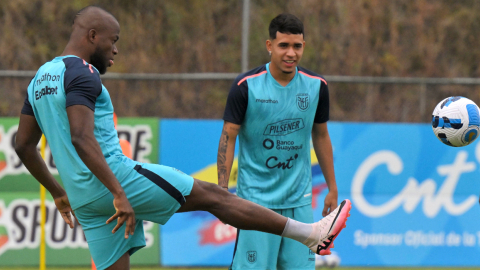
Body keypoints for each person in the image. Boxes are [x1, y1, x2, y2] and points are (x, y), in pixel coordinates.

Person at [14, 6, 350, 270]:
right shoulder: (82, 72)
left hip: (83, 200)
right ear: (91, 35)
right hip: (114, 182)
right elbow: (81, 137)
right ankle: (310, 234)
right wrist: (118, 191)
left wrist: (58, 192)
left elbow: (23, 145)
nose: (115, 49)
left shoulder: (39, 79)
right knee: (214, 196)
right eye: (112, 40)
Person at [217, 13, 342, 270]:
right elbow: (228, 136)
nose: (291, 53)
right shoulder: (245, 86)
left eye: (297, 46)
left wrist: (331, 186)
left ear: (304, 46)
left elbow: (320, 134)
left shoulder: (317, 86)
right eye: (283, 45)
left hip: (299, 201)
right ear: (269, 46)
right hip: (255, 203)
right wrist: (222, 192)